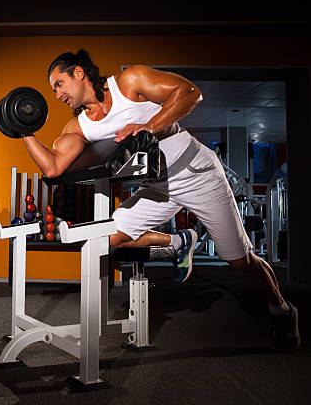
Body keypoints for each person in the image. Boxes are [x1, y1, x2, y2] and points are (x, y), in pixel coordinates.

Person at [20, 49, 299, 351]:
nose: (58, 94)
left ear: (78, 73)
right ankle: (179, 242)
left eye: (59, 84)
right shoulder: (79, 127)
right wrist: (22, 128)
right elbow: (53, 168)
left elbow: (190, 93)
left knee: (239, 260)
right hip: (158, 186)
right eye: (53, 90)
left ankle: (281, 308)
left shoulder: (129, 82)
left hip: (197, 174)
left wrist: (148, 127)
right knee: (112, 238)